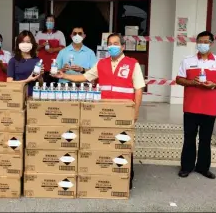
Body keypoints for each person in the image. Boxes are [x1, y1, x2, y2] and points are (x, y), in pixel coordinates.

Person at [52, 33, 146, 189]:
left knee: (124, 143)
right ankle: (107, 173)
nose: (112, 46)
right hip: (103, 112)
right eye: (110, 44)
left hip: (124, 111)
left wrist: (135, 111)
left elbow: (139, 89)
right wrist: (64, 75)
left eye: (116, 43)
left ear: (123, 46)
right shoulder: (101, 63)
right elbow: (84, 77)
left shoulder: (132, 64)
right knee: (106, 142)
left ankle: (126, 176)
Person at [176, 31, 216, 179]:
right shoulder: (187, 60)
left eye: (206, 42)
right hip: (191, 106)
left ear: (212, 43)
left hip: (209, 107)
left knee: (205, 139)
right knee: (189, 138)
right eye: (200, 41)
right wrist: (191, 82)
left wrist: (213, 85)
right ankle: (186, 167)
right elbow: (179, 79)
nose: (202, 44)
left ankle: (203, 168)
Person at [7, 30, 43, 96]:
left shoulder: (37, 60)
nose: (25, 44)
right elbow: (9, 82)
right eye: (23, 42)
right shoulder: (13, 61)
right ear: (18, 43)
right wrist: (27, 80)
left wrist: (40, 77)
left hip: (33, 96)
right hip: (17, 95)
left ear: (32, 44)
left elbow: (41, 84)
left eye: (28, 42)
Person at [35, 14, 66, 84]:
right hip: (42, 64)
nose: (49, 22)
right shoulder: (39, 34)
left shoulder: (59, 34)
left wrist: (53, 50)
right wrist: (42, 45)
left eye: (51, 21)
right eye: (48, 21)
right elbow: (35, 48)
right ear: (45, 23)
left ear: (55, 23)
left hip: (54, 65)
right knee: (41, 85)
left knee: (53, 85)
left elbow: (63, 48)